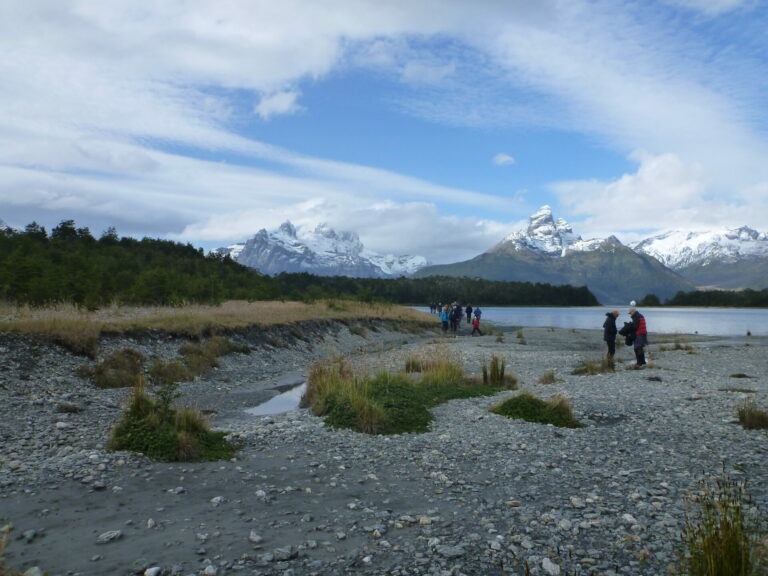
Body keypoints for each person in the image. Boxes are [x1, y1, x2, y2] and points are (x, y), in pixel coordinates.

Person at [629, 301, 648, 367]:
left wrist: (630, 326)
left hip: (639, 334)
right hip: (643, 333)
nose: (630, 315)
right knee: (640, 348)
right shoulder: (640, 315)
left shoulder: (636, 317)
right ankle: (643, 362)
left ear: (632, 312)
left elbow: (635, 327)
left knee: (637, 348)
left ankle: (639, 363)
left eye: (630, 313)